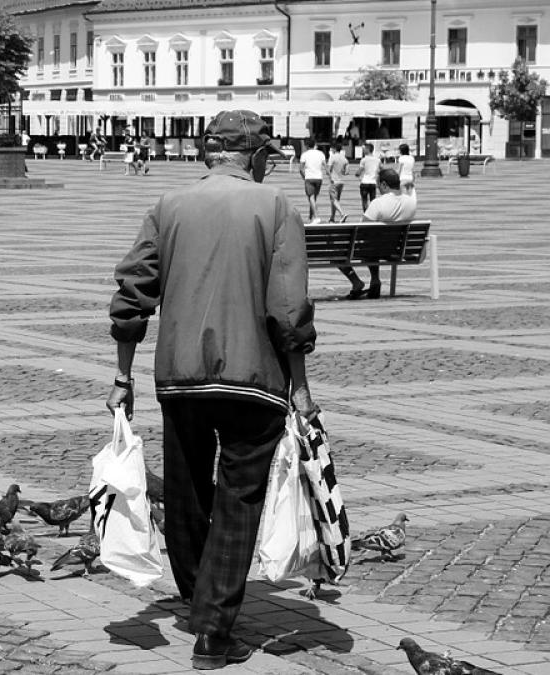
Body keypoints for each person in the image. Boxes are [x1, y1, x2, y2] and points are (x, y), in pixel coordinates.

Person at [106, 109, 317, 671]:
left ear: (209, 153)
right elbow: (289, 309)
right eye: (267, 155)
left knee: (187, 491)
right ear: (254, 155)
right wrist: (300, 387)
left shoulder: (168, 205)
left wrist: (123, 377)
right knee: (239, 497)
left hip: (179, 376)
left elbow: (132, 294)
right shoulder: (276, 207)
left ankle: (199, 595)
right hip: (254, 379)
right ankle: (214, 630)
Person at [338, 168, 416, 300]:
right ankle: (374, 280)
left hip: (375, 249)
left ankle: (357, 282)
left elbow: (362, 230)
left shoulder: (378, 203)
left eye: (379, 184)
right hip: (397, 250)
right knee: (374, 243)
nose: (378, 188)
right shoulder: (411, 202)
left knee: (340, 250)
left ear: (384, 184)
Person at [298, 138, 325, 223]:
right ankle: (311, 218)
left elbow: (301, 169)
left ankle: (316, 217)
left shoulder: (304, 155)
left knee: (311, 198)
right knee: (313, 198)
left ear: (306, 145)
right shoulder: (321, 153)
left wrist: (304, 177)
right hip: (319, 178)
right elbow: (325, 165)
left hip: (309, 178)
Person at [326, 142, 349, 222]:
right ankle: (332, 218)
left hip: (334, 181)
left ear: (334, 149)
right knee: (335, 201)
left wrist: (330, 177)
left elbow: (328, 170)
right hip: (341, 182)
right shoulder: (344, 159)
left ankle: (342, 214)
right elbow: (346, 172)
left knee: (333, 200)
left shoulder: (332, 157)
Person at [356, 142, 381, 211]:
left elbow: (358, 172)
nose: (363, 151)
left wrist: (357, 174)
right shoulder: (378, 160)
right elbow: (381, 169)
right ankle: (372, 214)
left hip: (365, 182)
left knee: (364, 200)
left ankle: (366, 214)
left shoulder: (364, 160)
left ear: (368, 149)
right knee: (373, 201)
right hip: (373, 183)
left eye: (364, 149)